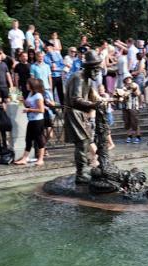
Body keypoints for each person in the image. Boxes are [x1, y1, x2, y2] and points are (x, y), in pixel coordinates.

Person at [63, 50, 104, 183]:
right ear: (90, 67)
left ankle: (84, 170)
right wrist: (93, 105)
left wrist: (103, 101)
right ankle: (81, 173)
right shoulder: (78, 77)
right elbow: (75, 99)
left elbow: (93, 96)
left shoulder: (87, 79)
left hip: (80, 114)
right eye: (96, 68)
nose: (98, 71)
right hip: (73, 113)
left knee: (85, 142)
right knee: (82, 143)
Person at [13, 78, 47, 166]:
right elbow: (27, 104)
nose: (26, 86)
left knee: (39, 139)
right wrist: (20, 99)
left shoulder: (38, 95)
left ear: (32, 85)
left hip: (38, 120)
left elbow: (41, 110)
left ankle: (41, 159)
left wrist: (29, 110)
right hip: (31, 120)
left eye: (28, 84)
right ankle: (24, 159)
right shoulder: (30, 94)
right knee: (28, 139)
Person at [116, 75, 141, 143]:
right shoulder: (123, 87)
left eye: (129, 78)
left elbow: (138, 94)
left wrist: (133, 90)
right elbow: (120, 97)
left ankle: (137, 136)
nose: (128, 79)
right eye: (126, 78)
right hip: (125, 106)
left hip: (133, 106)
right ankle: (129, 136)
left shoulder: (135, 85)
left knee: (135, 122)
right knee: (127, 122)